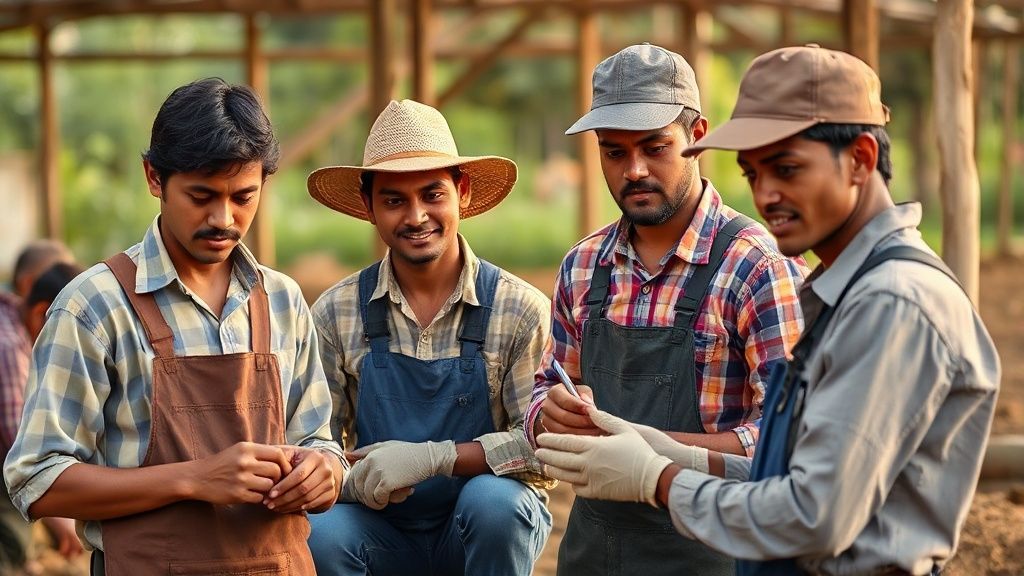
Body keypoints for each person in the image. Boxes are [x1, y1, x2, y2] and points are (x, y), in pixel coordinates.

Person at [535, 45, 1000, 575]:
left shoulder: (889, 302)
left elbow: (810, 512)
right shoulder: (840, 291)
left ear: (862, 159)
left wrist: (656, 474)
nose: (768, 195)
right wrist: (630, 441)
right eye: (754, 174)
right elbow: (792, 457)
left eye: (786, 168)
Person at [4, 77, 344, 576]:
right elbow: (37, 479)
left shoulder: (283, 301)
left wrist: (324, 471)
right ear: (154, 177)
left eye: (243, 197)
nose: (223, 218)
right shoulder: (94, 307)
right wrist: (193, 478)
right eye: (201, 195)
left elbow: (316, 440)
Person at [525, 43, 806, 575]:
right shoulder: (583, 266)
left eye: (655, 147)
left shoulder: (755, 267)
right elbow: (544, 390)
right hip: (595, 553)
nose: (634, 170)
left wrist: (652, 453)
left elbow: (784, 442)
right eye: (614, 152)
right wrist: (550, 414)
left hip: (714, 552)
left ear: (697, 137)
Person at [305, 99, 553, 576]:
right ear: (368, 206)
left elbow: (542, 450)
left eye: (432, 194)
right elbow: (316, 438)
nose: (416, 216)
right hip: (378, 531)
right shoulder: (336, 313)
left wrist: (436, 458)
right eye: (394, 200)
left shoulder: (518, 310)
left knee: (497, 505)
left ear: (461, 191)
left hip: (478, 531)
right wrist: (348, 478)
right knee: (320, 533)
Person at [0, 242, 77, 573]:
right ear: (39, 310)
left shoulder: (16, 320)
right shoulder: (8, 347)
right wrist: (59, 518)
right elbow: (20, 445)